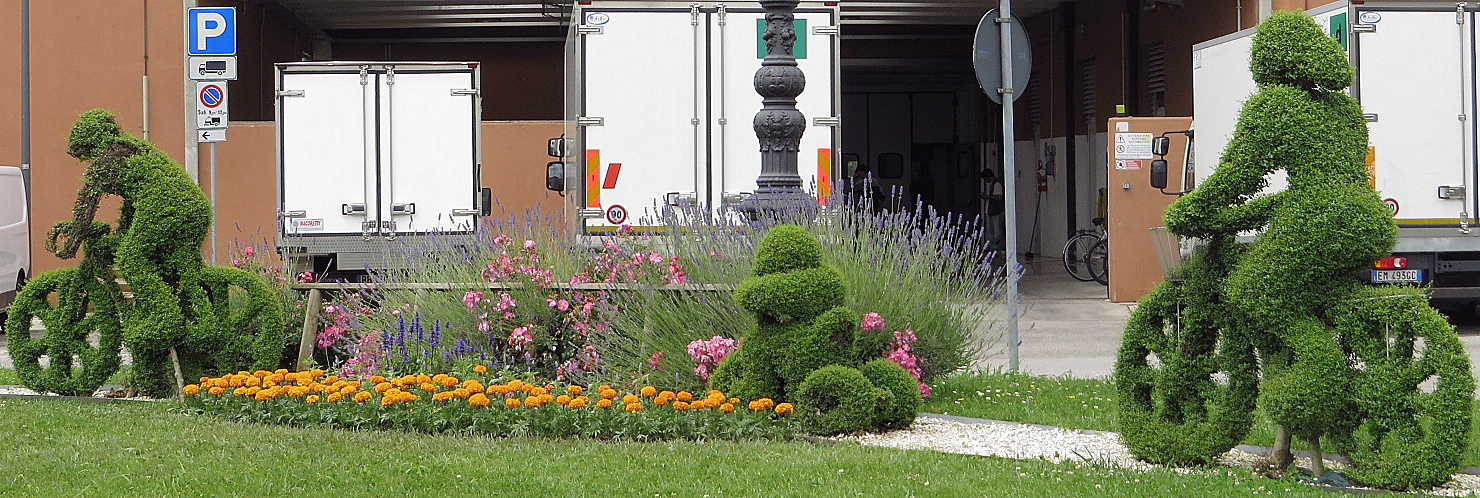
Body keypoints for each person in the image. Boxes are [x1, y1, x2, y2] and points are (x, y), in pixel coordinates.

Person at [982, 169, 1005, 252]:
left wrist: (988, 197)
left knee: (997, 230)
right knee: (991, 230)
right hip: (991, 211)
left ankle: (997, 247)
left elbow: (999, 196)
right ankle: (992, 246)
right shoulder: (991, 185)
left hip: (996, 211)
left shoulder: (997, 184)